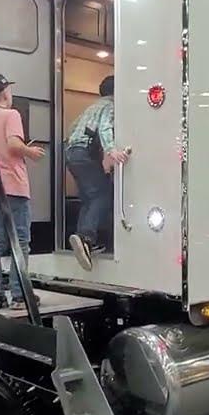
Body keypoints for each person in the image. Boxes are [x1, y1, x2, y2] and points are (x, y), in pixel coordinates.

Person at [0, 73, 45, 308]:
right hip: (14, 186)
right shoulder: (11, 115)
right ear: (4, 93)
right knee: (20, 241)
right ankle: (20, 293)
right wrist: (30, 152)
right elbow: (14, 144)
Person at [65, 75, 130, 270]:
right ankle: (86, 238)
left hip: (71, 153)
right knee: (103, 195)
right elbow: (104, 127)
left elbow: (73, 127)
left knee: (89, 198)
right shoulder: (110, 105)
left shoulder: (92, 106)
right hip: (84, 154)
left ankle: (83, 245)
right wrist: (111, 150)